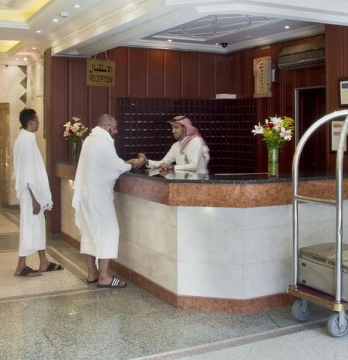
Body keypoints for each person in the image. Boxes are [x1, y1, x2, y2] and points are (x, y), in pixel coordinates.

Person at [72, 114, 144, 288]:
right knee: (109, 231)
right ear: (106, 127)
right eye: (115, 128)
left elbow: (108, 163)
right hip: (98, 196)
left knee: (89, 232)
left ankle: (92, 273)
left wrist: (124, 163)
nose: (116, 132)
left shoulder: (90, 140)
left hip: (86, 195)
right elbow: (116, 167)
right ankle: (104, 277)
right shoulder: (102, 141)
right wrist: (137, 163)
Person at [12, 108, 63, 277]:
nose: (39, 123)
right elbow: (26, 174)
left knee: (38, 226)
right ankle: (21, 266)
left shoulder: (25, 138)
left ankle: (44, 261)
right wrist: (34, 199)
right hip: (30, 195)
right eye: (37, 120)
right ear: (31, 122)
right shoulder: (26, 141)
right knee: (28, 227)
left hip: (33, 193)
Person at [139, 115, 210, 174]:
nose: (173, 131)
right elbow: (164, 163)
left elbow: (194, 166)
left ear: (185, 128)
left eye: (176, 127)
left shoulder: (196, 141)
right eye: (172, 128)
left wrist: (172, 167)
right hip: (182, 184)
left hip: (199, 183)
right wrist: (147, 162)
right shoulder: (176, 145)